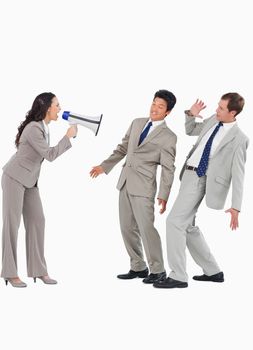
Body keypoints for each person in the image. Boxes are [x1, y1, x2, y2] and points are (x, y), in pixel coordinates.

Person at [153, 93, 249, 289]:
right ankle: (213, 271)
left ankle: (178, 276)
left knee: (174, 222)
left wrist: (236, 206)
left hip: (203, 179)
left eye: (221, 108)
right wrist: (191, 114)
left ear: (233, 112)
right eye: (218, 106)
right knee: (187, 226)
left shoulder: (239, 139)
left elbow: (239, 174)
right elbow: (191, 130)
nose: (216, 110)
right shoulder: (214, 120)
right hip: (188, 174)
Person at [90, 90, 177, 284]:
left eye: (160, 106)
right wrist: (104, 166)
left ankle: (158, 270)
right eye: (154, 103)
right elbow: (122, 148)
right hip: (125, 182)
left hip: (144, 187)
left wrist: (164, 195)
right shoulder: (137, 123)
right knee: (126, 228)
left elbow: (168, 169)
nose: (155, 108)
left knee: (146, 229)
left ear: (168, 112)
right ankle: (138, 266)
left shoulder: (169, 137)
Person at [1, 92, 77, 287]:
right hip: (14, 178)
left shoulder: (44, 127)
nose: (60, 108)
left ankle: (38, 270)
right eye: (57, 105)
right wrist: (67, 137)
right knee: (12, 224)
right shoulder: (34, 128)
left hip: (30, 181)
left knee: (38, 220)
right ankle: (9, 273)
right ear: (47, 108)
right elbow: (50, 155)